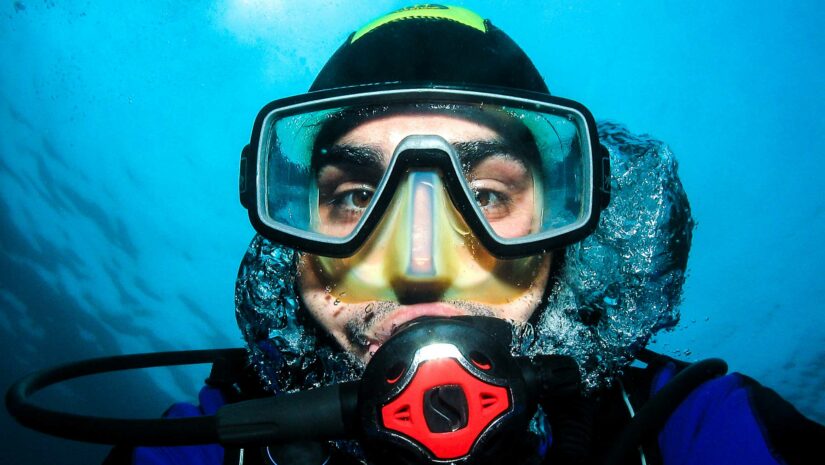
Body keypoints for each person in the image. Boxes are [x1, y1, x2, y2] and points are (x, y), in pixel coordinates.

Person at [105, 4, 823, 465]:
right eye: (356, 195)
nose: (420, 263)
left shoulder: (686, 427)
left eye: (484, 194)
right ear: (292, 250)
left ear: (562, 239)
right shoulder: (202, 446)